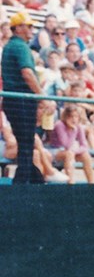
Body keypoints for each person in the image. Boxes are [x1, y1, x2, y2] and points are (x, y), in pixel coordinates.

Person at [2, 11, 44, 183]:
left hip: (13, 100)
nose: (32, 30)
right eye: (29, 26)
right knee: (27, 142)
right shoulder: (20, 47)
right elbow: (27, 72)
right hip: (22, 100)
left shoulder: (9, 46)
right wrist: (42, 97)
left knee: (25, 142)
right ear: (18, 28)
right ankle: (22, 184)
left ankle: (36, 180)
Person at [48, 105, 94, 184]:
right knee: (69, 154)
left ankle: (92, 184)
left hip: (69, 151)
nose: (73, 119)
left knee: (85, 155)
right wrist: (73, 130)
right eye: (71, 116)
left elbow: (84, 146)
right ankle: (71, 183)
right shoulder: (59, 125)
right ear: (66, 116)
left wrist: (75, 151)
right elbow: (66, 144)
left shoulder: (79, 126)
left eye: (76, 117)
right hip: (55, 151)